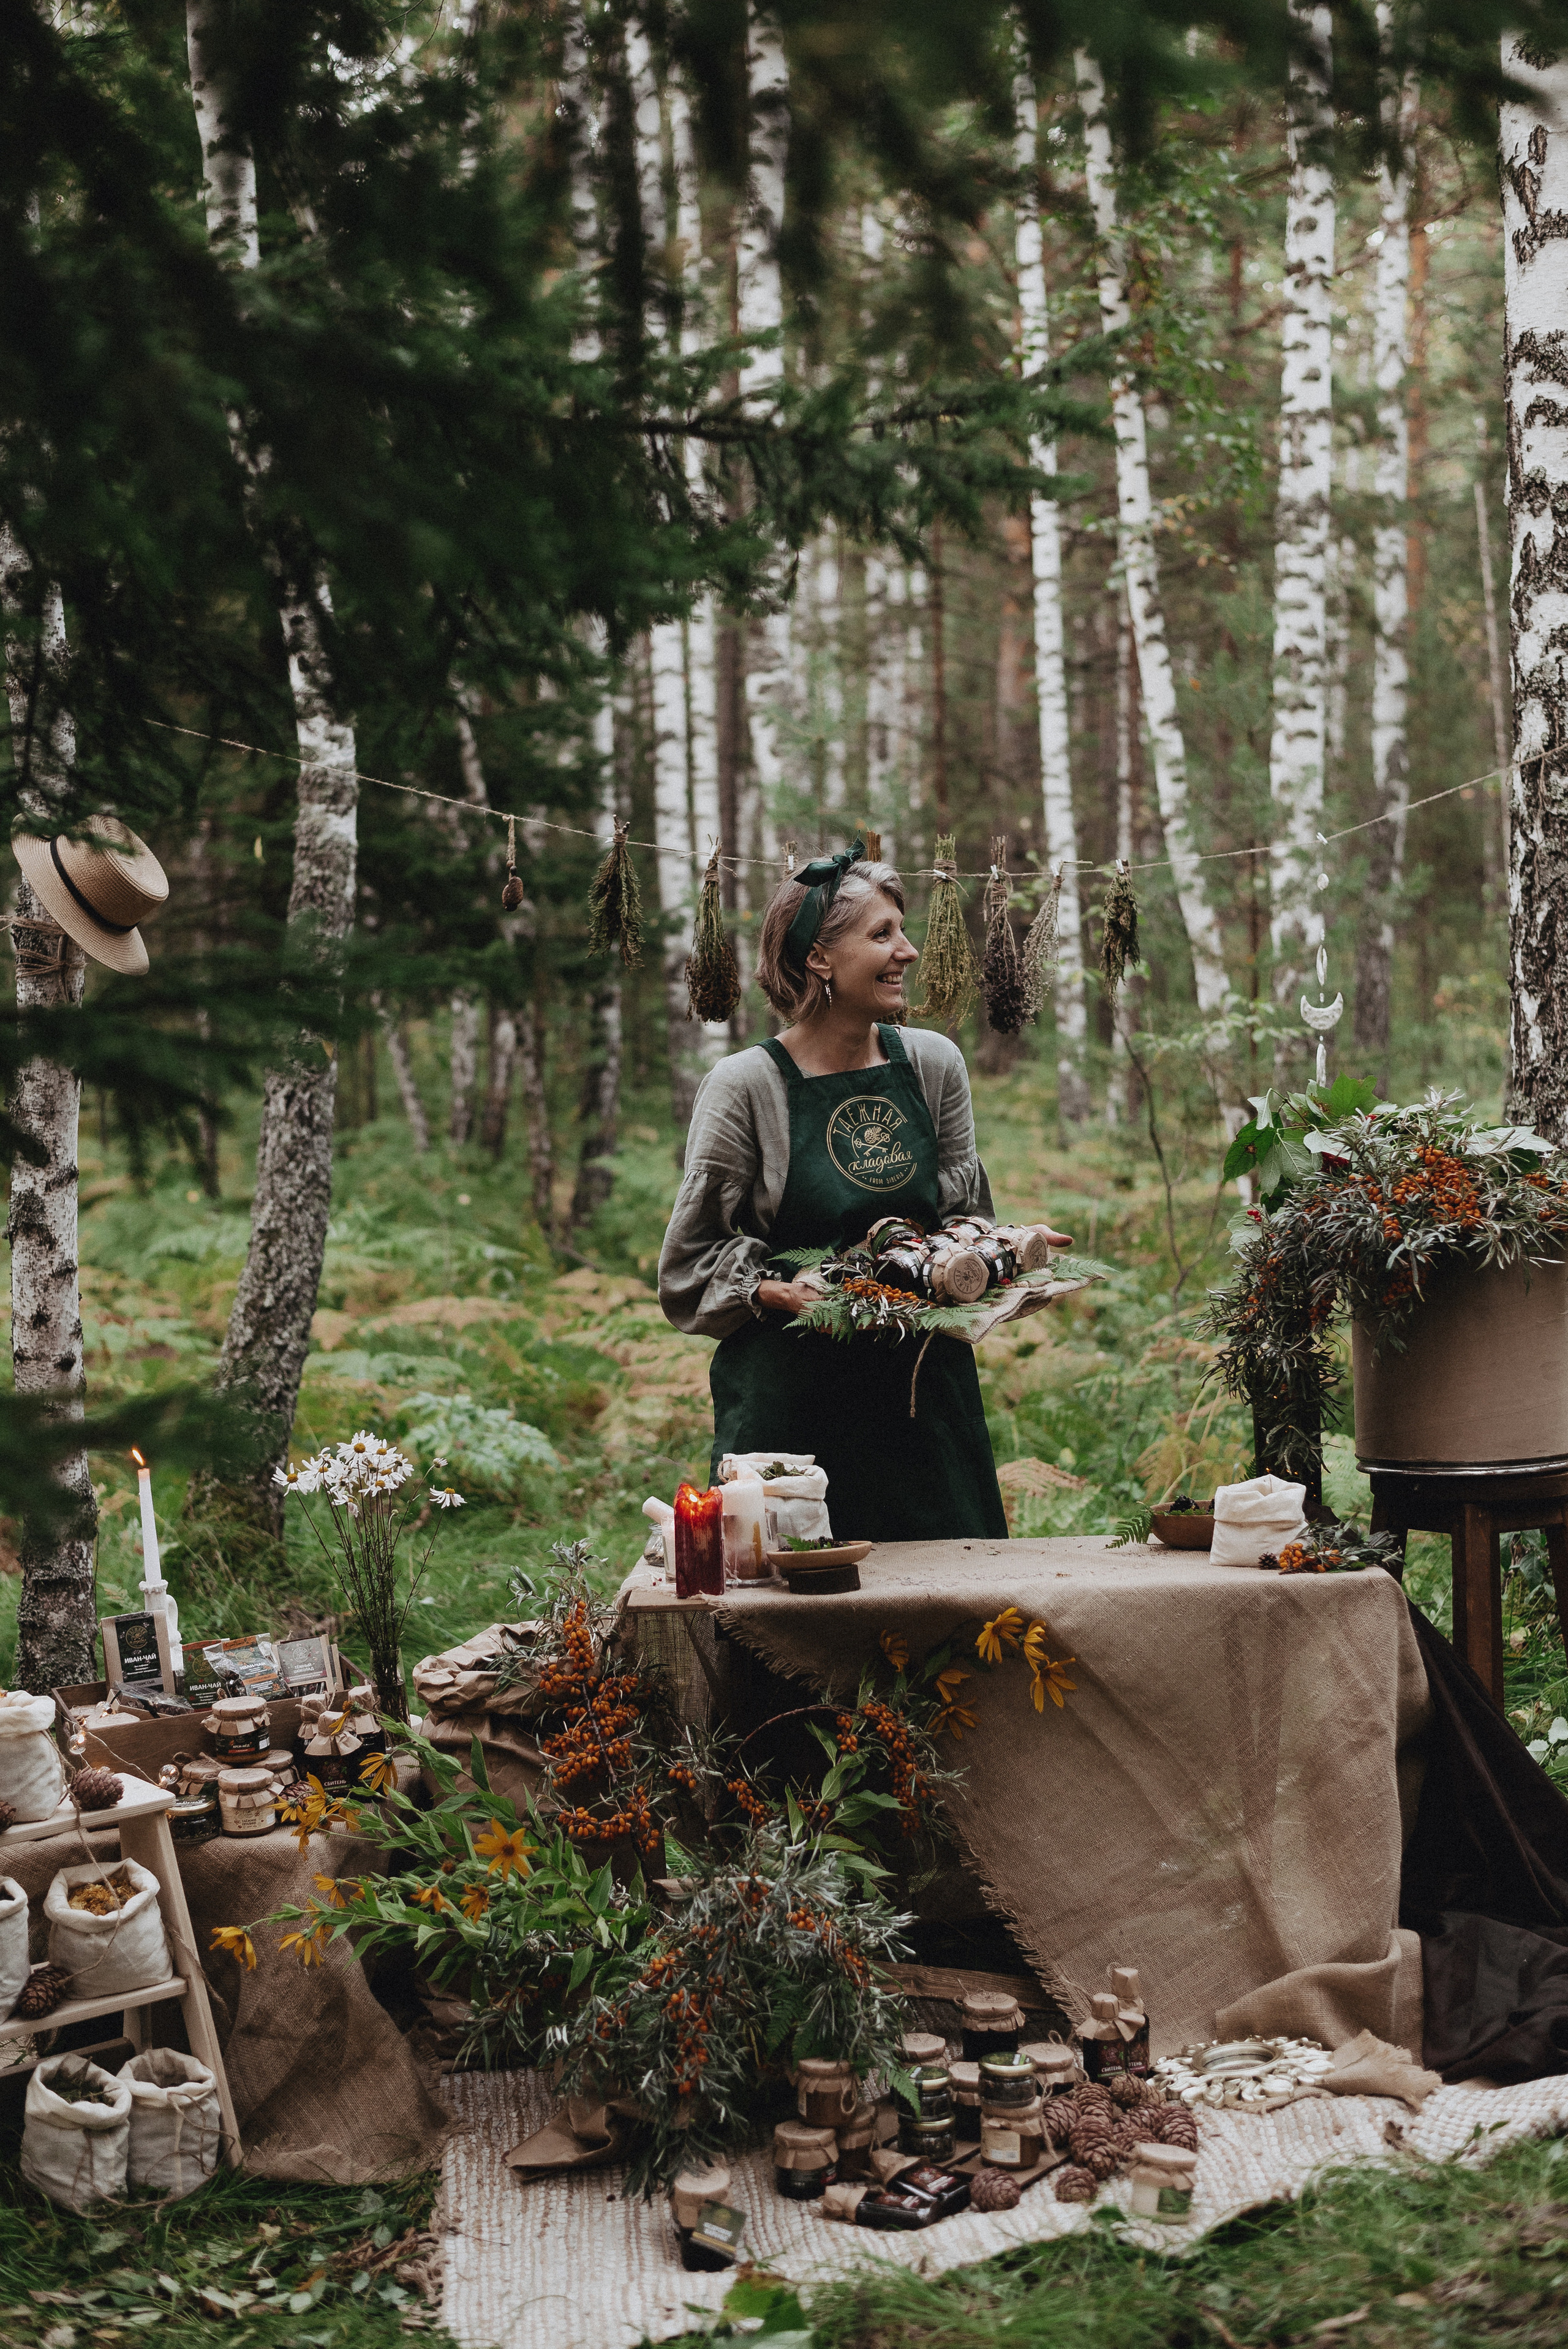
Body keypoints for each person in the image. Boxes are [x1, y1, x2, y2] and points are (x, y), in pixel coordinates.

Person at [658, 840, 1039, 1543]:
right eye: (882, 934)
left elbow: (964, 1220)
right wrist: (781, 1291)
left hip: (923, 1404)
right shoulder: (745, 1087)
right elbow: (690, 1262)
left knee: (950, 1598)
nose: (908, 952)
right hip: (790, 1413)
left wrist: (1008, 1252)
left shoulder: (933, 1064)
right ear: (819, 958)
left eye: (903, 930)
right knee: (792, 1595)